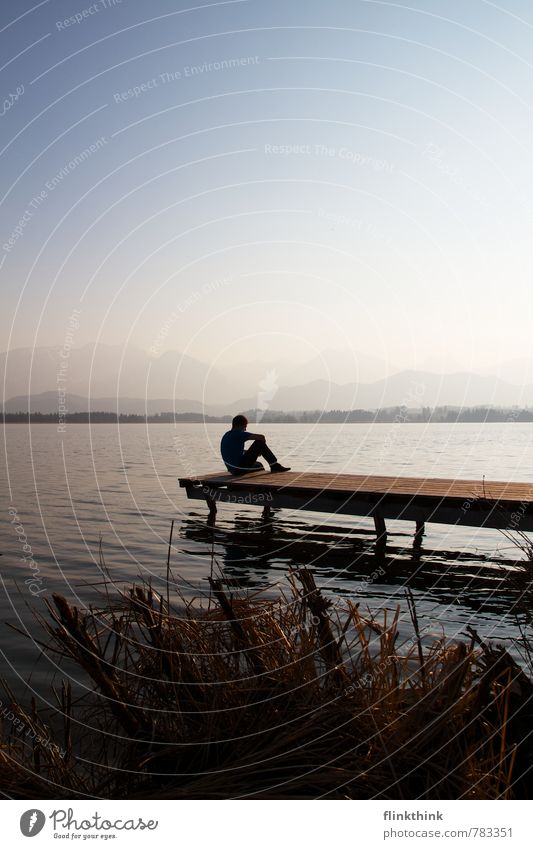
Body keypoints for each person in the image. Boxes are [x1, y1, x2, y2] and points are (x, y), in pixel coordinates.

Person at [220, 414, 291, 475]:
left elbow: (233, 451)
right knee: (259, 442)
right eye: (245, 427)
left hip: (233, 470)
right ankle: (275, 466)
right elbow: (261, 437)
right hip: (239, 469)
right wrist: (261, 448)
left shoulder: (227, 435)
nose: (245, 430)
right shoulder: (239, 434)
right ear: (239, 425)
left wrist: (256, 451)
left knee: (259, 465)